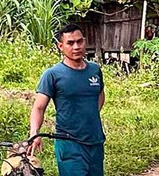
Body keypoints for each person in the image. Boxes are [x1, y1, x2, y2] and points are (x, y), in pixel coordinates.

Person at [28, 23, 106, 176]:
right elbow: (39, 107)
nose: (76, 46)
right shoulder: (52, 75)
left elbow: (100, 95)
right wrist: (34, 133)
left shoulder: (94, 70)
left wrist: (87, 115)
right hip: (69, 144)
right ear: (61, 46)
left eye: (79, 41)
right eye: (70, 43)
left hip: (95, 141)